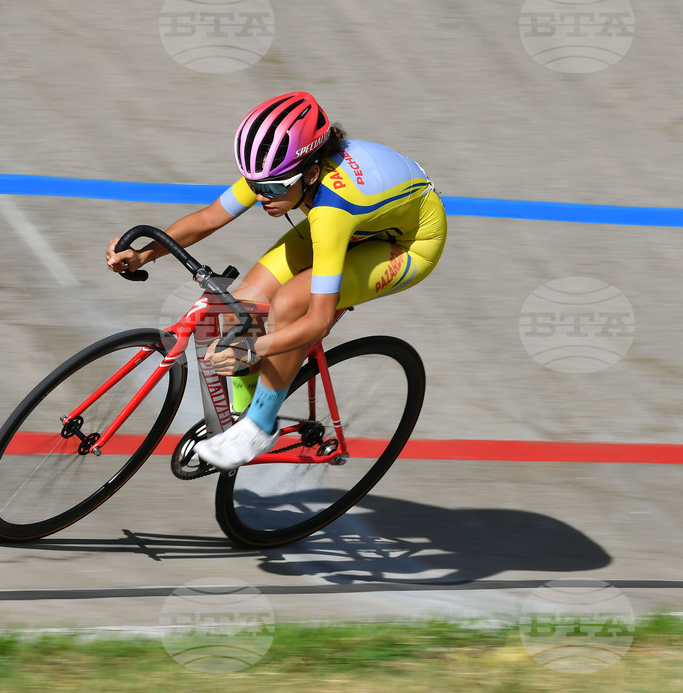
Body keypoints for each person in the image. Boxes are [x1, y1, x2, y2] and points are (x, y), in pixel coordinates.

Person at [106, 91, 446, 470]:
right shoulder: (278, 173)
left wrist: (254, 350)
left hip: (408, 245)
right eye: (257, 187)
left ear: (312, 173)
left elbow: (316, 320)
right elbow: (208, 219)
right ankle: (239, 414)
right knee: (244, 303)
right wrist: (145, 254)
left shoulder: (330, 212)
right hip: (360, 223)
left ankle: (259, 427)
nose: (263, 197)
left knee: (290, 305)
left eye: (273, 189)